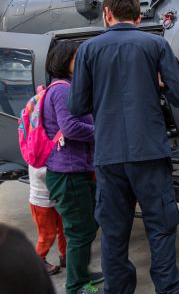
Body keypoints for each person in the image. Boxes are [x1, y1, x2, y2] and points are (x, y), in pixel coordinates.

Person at [68, 0, 179, 294]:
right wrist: (160, 86)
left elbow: (77, 106)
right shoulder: (155, 45)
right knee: (161, 230)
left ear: (108, 14)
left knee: (113, 235)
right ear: (138, 16)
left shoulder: (88, 49)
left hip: (109, 157)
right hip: (150, 154)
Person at [43, 42, 103, 294]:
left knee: (87, 225)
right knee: (80, 230)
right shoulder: (62, 91)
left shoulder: (66, 88)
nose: (82, 62)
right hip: (68, 174)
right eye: (77, 58)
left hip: (74, 170)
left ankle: (81, 272)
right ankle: (76, 285)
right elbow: (70, 128)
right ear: (64, 60)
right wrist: (103, 131)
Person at [28, 163, 67, 275]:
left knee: (63, 228)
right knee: (47, 234)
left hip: (56, 198)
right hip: (41, 201)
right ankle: (39, 260)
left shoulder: (52, 146)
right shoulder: (37, 149)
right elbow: (39, 172)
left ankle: (65, 255)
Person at [0, 223, 56, 294]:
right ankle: (42, 258)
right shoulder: (11, 239)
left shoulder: (12, 238)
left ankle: (63, 255)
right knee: (48, 234)